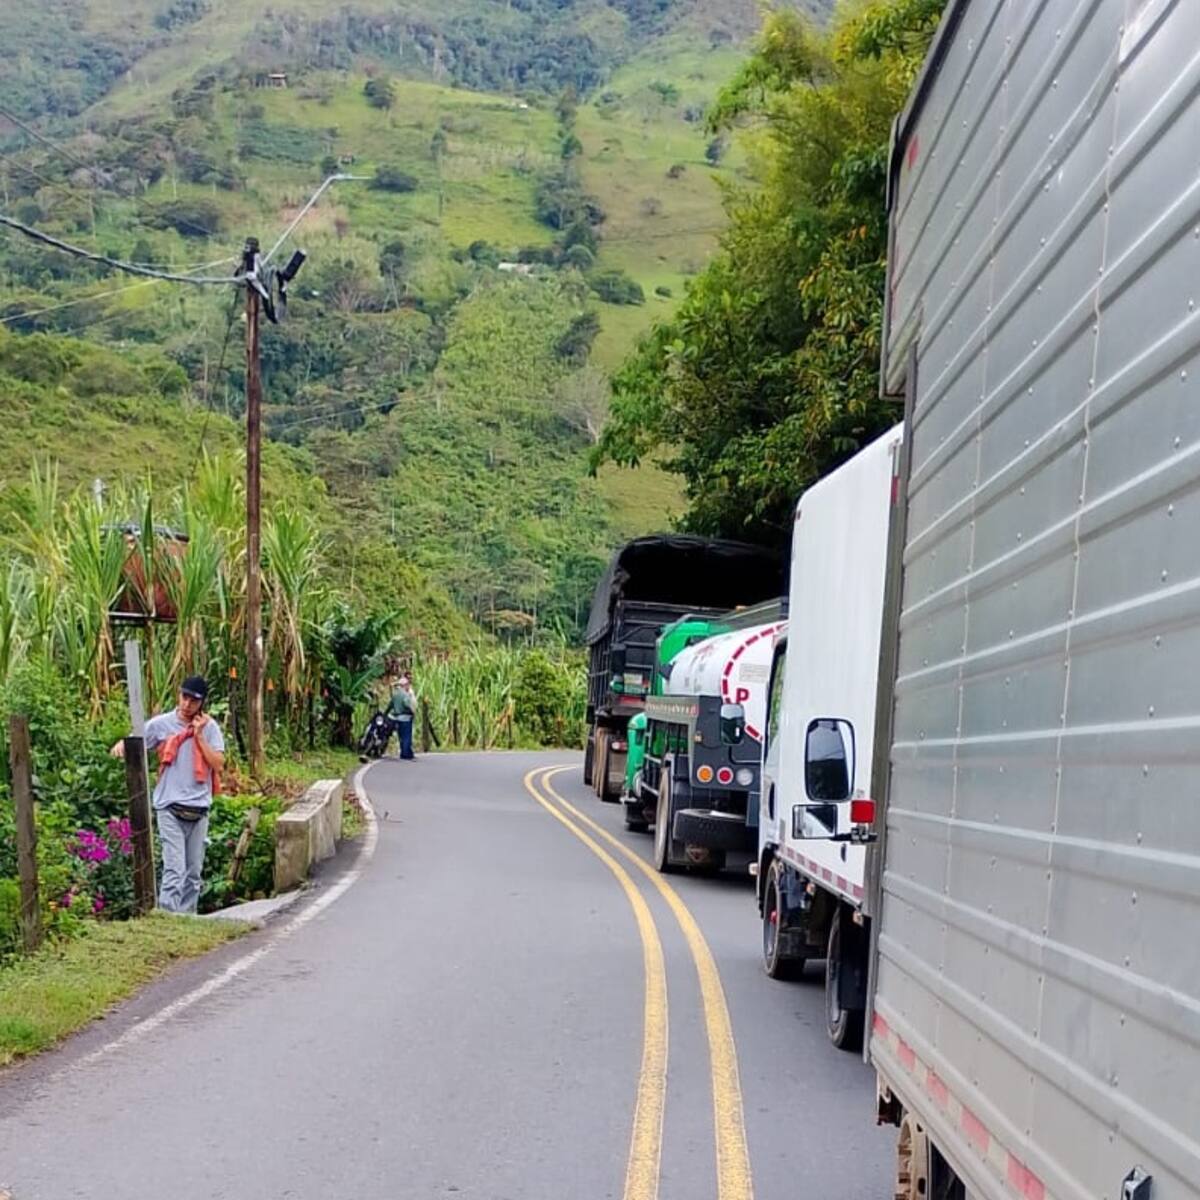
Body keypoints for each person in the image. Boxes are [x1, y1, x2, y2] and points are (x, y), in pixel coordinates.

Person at [111, 675, 225, 913]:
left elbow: (218, 763)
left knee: (193, 872)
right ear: (179, 695)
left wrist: (199, 736)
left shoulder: (210, 728)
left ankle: (188, 918)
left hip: (199, 807)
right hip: (169, 806)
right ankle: (168, 915)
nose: (187, 704)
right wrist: (123, 744)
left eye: (194, 701)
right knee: (175, 869)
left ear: (202, 703)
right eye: (184, 697)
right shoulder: (161, 724)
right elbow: (136, 741)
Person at [388, 672, 417, 760]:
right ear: (404, 685)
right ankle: (405, 753)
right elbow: (407, 704)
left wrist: (386, 714)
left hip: (397, 718)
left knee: (401, 736)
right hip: (406, 718)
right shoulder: (405, 694)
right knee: (407, 736)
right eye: (407, 684)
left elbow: (390, 705)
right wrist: (412, 712)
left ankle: (404, 752)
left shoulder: (395, 694)